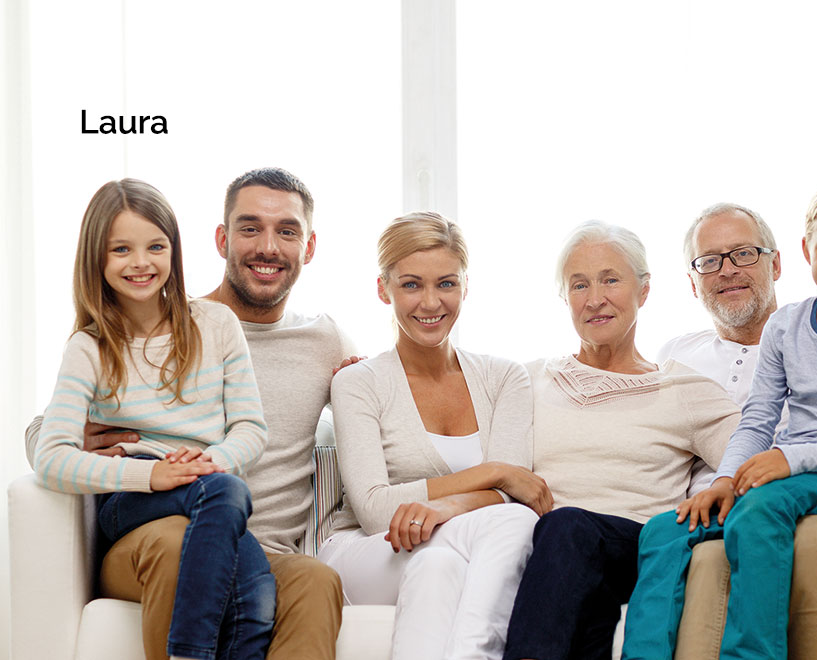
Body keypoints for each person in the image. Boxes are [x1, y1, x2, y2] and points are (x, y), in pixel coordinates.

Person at [25, 168, 354, 660]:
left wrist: (364, 384)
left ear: (308, 247)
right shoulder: (99, 343)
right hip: (146, 531)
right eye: (250, 228)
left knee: (314, 580)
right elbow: (46, 441)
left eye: (286, 231)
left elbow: (260, 427)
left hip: (246, 534)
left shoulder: (300, 338)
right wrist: (142, 468)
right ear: (221, 240)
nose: (267, 246)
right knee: (182, 533)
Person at [623, 175, 817, 660]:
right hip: (789, 483)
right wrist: (723, 480)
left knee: (762, 508)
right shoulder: (785, 326)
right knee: (664, 530)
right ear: (806, 251)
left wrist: (787, 459)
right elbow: (759, 418)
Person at [502, 221, 741, 660]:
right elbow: (452, 422)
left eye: (610, 279)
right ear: (565, 298)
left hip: (634, 546)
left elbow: (752, 457)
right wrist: (368, 371)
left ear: (643, 291)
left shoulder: (684, 390)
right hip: (548, 552)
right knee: (582, 594)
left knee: (568, 526)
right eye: (579, 285)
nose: (595, 299)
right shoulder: (526, 379)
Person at [319, 212, 549, 660]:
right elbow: (373, 509)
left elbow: (514, 495)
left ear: (466, 285)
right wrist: (495, 473)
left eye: (446, 283)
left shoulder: (505, 378)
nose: (430, 302)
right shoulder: (358, 382)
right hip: (366, 552)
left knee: (439, 564)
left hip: (440, 549)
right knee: (518, 524)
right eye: (411, 285)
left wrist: (445, 506)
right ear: (383, 289)